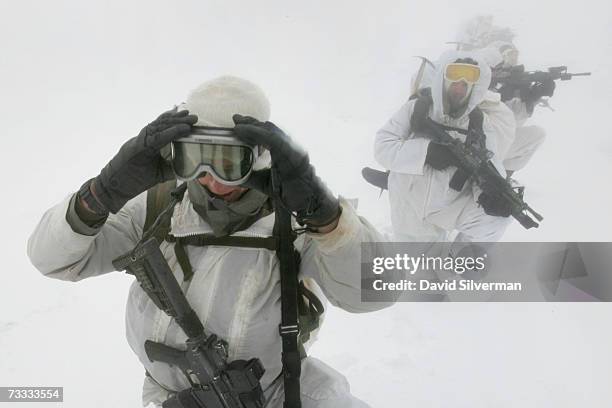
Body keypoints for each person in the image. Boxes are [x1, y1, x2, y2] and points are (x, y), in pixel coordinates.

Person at [28, 76, 395, 408]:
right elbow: (52, 259)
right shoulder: (158, 209)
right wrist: (100, 195)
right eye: (197, 159)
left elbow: (379, 291)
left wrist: (327, 219)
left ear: (260, 157)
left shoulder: (296, 221)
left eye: (229, 162)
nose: (214, 182)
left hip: (276, 396)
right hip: (171, 399)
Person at [374, 51, 516, 243]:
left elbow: (489, 163)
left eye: (466, 83)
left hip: (449, 205)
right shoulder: (416, 109)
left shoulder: (480, 123)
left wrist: (489, 193)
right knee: (416, 267)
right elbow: (383, 147)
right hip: (408, 203)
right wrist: (426, 152)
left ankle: (459, 257)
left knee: (496, 219)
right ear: (443, 78)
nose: (460, 87)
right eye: (455, 79)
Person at [455, 15, 553, 176]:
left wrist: (530, 100)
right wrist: (496, 95)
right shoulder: (472, 69)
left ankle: (500, 179)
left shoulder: (507, 82)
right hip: (464, 140)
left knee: (537, 134)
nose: (511, 62)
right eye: (507, 56)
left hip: (492, 144)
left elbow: (510, 125)